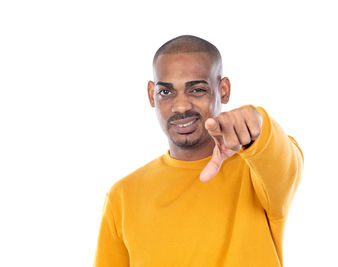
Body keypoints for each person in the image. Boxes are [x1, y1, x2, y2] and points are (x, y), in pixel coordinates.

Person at [94, 35, 304, 267]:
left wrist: (256, 122)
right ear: (151, 94)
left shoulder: (258, 172)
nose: (181, 106)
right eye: (166, 92)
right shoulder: (122, 196)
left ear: (223, 90)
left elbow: (285, 159)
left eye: (197, 90)